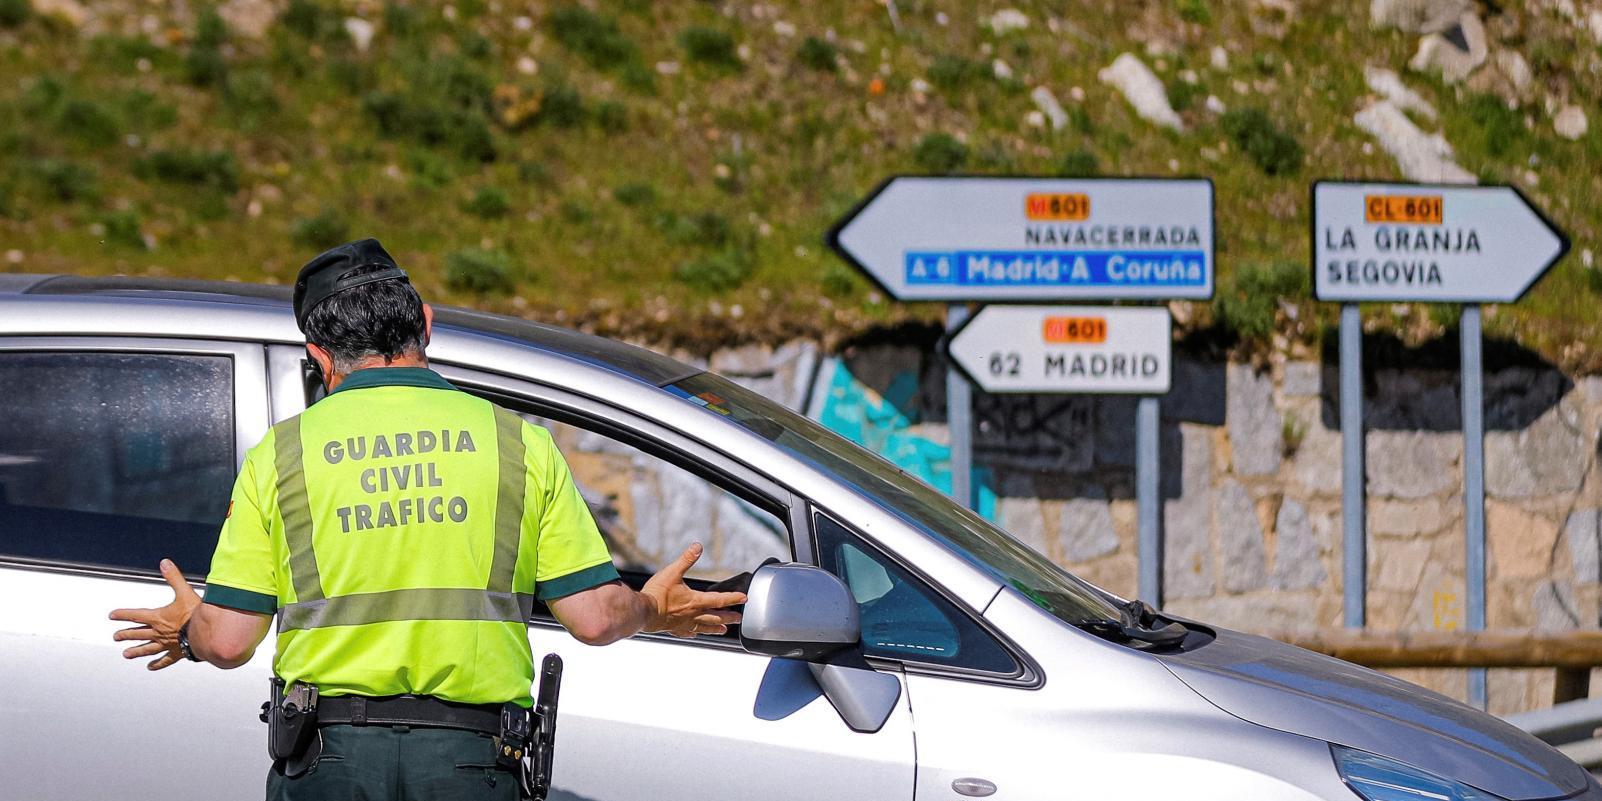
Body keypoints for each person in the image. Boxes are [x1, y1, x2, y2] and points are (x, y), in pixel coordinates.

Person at [108, 238, 746, 800]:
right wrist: (652, 607)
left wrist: (191, 627)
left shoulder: (281, 455)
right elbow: (598, 617)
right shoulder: (518, 444)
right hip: (472, 762)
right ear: (427, 326)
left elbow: (226, 641)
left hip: (328, 764)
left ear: (319, 356)